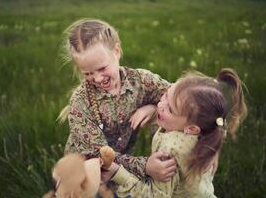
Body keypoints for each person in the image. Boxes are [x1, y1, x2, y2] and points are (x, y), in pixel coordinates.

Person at [58, 18, 176, 181]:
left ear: (117, 51)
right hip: (84, 175)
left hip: (120, 171)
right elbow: (97, 156)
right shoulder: (80, 102)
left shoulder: (140, 81)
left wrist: (153, 108)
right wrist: (145, 166)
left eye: (102, 68)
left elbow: (180, 96)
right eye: (88, 73)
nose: (98, 78)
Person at [105, 68, 247, 197]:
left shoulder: (170, 153)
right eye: (166, 96)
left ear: (191, 129)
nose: (161, 105)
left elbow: (154, 195)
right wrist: (152, 110)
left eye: (171, 109)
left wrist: (118, 173)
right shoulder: (210, 130)